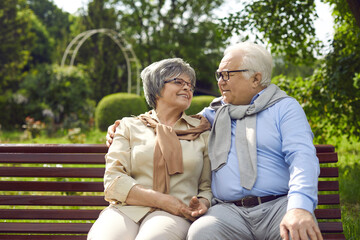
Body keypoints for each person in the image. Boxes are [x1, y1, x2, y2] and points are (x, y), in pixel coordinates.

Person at [106, 42, 322, 240]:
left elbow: (302, 158)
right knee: (201, 232)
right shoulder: (213, 114)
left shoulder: (285, 108)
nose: (220, 82)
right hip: (228, 212)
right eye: (219, 74)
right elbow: (170, 121)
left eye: (227, 75)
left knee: (297, 234)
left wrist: (299, 207)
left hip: (278, 205)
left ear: (256, 79)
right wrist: (123, 127)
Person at [88, 58, 212, 240]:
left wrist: (202, 202)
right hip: (126, 210)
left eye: (190, 85)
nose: (187, 88)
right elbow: (113, 181)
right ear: (156, 87)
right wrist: (163, 200)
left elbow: (206, 186)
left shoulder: (201, 131)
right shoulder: (128, 126)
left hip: (176, 214)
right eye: (178, 81)